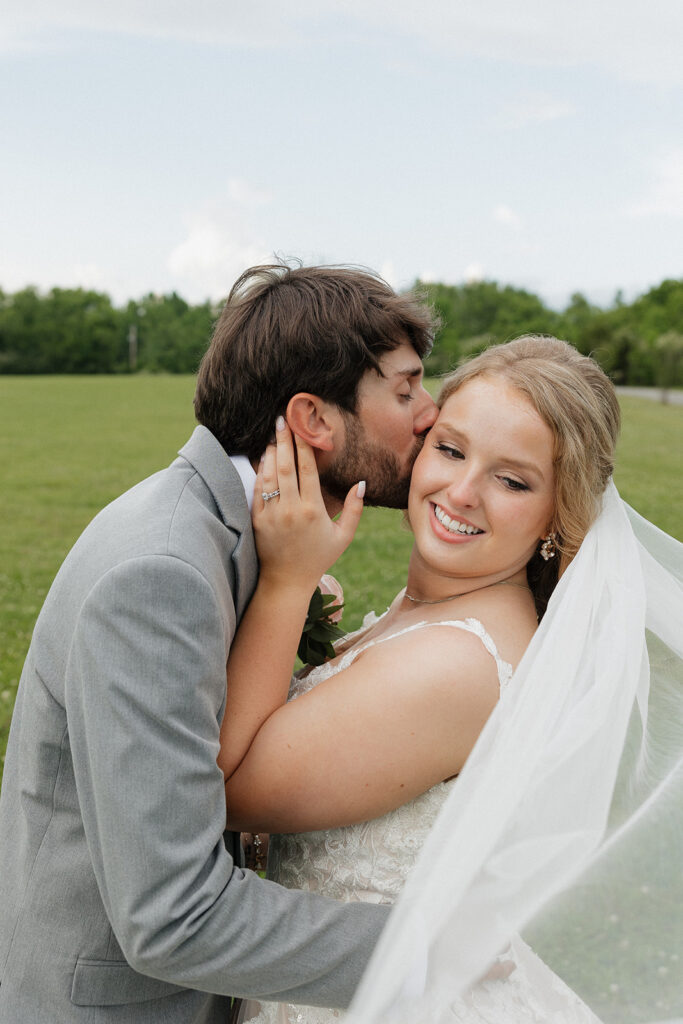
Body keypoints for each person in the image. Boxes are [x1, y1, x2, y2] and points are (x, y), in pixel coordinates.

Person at [0, 263, 439, 1024]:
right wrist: (440, 949)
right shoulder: (160, 577)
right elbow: (174, 917)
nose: (430, 414)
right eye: (404, 390)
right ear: (313, 420)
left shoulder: (230, 530)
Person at [218, 335, 683, 1023]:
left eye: (512, 480)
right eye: (451, 449)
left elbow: (227, 792)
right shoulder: (441, 615)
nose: (461, 492)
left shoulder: (457, 665)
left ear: (559, 511)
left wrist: (286, 586)